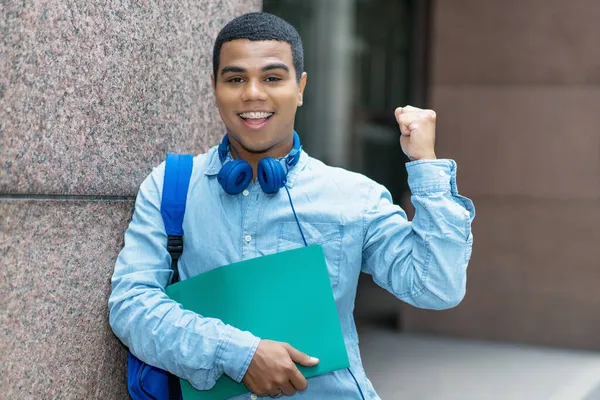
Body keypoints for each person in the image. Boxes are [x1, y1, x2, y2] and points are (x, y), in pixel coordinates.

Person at [108, 11, 475, 400]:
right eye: (235, 79)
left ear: (300, 87)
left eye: (272, 77)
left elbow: (437, 288)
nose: (253, 93)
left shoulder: (355, 196)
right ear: (214, 87)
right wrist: (239, 355)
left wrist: (426, 165)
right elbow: (131, 304)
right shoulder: (170, 186)